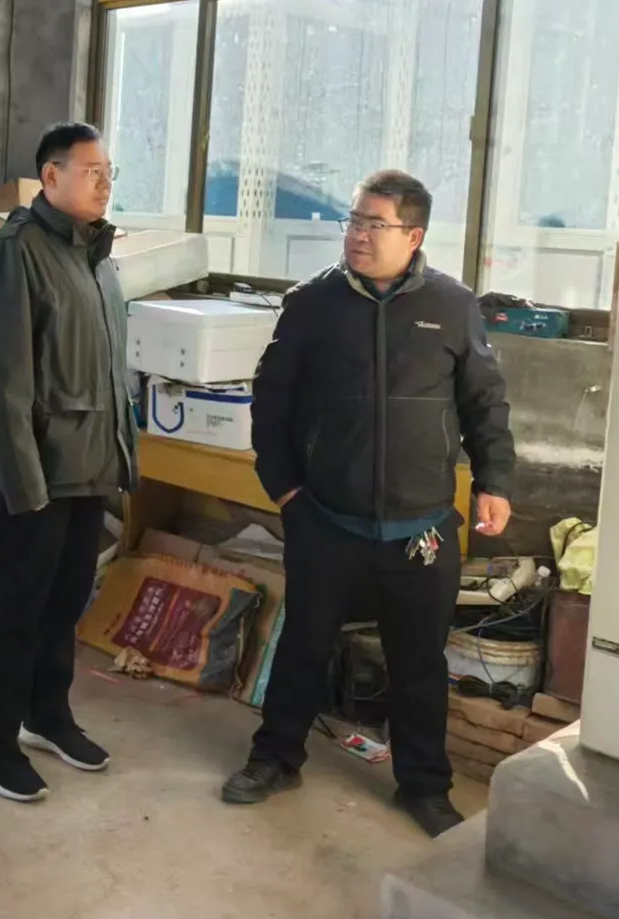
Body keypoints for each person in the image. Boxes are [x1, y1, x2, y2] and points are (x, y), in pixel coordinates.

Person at [223, 169, 515, 838]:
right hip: (327, 517)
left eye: (373, 224)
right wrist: (285, 489)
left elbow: (484, 402)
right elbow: (271, 400)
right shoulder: (312, 303)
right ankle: (275, 759)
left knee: (419, 664)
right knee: (303, 645)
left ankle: (424, 786)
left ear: (413, 235)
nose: (356, 234)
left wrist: (495, 480)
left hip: (422, 527)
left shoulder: (452, 305)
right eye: (353, 221)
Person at [0, 122, 139, 802]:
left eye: (109, 172)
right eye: (91, 171)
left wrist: (120, 456)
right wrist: (22, 481)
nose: (104, 183)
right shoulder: (18, 251)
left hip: (89, 464)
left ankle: (47, 714)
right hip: (36, 470)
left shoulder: (96, 255)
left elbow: (109, 371)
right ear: (51, 176)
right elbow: (2, 380)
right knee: (14, 607)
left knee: (65, 601)